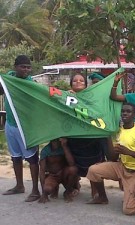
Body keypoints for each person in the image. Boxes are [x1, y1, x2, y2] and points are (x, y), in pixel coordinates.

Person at [86, 103, 135, 215]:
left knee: (128, 210)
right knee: (93, 170)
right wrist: (109, 136)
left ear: (134, 114)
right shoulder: (117, 131)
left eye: (128, 111)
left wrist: (128, 152)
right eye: (123, 111)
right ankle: (102, 197)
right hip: (121, 166)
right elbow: (112, 157)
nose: (124, 113)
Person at [0, 55, 40, 202]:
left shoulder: (31, 83)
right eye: (23, 67)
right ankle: (19, 186)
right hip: (10, 124)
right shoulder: (8, 79)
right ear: (15, 67)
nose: (26, 70)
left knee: (32, 159)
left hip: (26, 126)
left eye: (28, 67)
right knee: (15, 156)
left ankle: (35, 190)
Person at [67, 73, 110, 197]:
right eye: (75, 81)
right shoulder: (66, 98)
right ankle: (75, 186)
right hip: (75, 138)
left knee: (94, 165)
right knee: (74, 163)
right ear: (71, 84)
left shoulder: (91, 97)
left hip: (91, 138)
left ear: (86, 85)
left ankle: (95, 191)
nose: (78, 82)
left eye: (81, 81)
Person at [38, 138, 78, 203]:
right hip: (52, 175)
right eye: (54, 141)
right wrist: (44, 193)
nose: (56, 143)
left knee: (73, 169)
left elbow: (72, 163)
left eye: (57, 140)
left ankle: (67, 192)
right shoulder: (45, 151)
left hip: (63, 173)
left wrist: (64, 146)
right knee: (47, 189)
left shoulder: (63, 147)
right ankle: (55, 188)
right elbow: (42, 171)